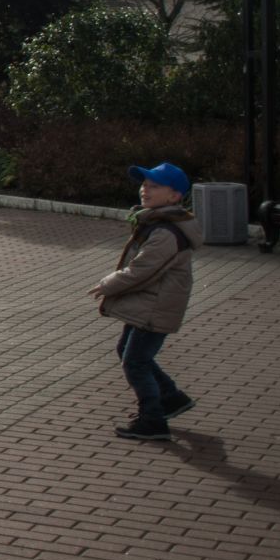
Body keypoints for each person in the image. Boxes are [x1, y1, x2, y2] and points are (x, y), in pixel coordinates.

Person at [92, 162, 201, 441]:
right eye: (144, 185)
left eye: (154, 186)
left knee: (135, 362)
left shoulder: (165, 232)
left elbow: (141, 270)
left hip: (156, 307)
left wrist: (107, 284)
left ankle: (152, 419)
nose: (145, 190)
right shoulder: (156, 222)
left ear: (174, 196)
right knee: (130, 353)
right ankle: (171, 397)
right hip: (149, 304)